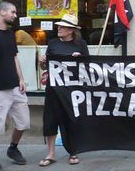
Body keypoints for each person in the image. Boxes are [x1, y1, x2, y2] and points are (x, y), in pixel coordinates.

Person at [0, 2, 30, 171]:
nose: (15, 15)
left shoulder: (10, 34)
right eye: (13, 12)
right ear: (2, 12)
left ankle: (13, 148)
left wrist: (21, 79)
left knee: (23, 123)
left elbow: (14, 57)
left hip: (15, 87)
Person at [39, 13, 89, 167]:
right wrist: (42, 62)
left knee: (71, 120)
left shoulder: (81, 45)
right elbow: (45, 67)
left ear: (71, 30)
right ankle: (51, 153)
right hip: (53, 89)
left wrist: (79, 60)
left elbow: (88, 67)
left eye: (62, 26)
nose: (59, 28)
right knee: (50, 120)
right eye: (59, 26)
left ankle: (73, 152)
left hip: (72, 89)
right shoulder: (53, 43)